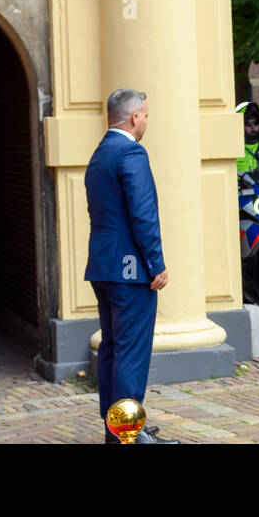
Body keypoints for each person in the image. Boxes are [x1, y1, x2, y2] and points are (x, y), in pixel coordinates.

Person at [84, 88, 177, 444]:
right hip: (130, 268)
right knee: (131, 353)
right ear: (135, 117)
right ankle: (130, 433)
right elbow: (142, 215)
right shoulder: (131, 153)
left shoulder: (100, 153)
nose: (146, 122)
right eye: (146, 116)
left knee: (111, 349)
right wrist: (156, 263)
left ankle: (116, 428)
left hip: (104, 265)